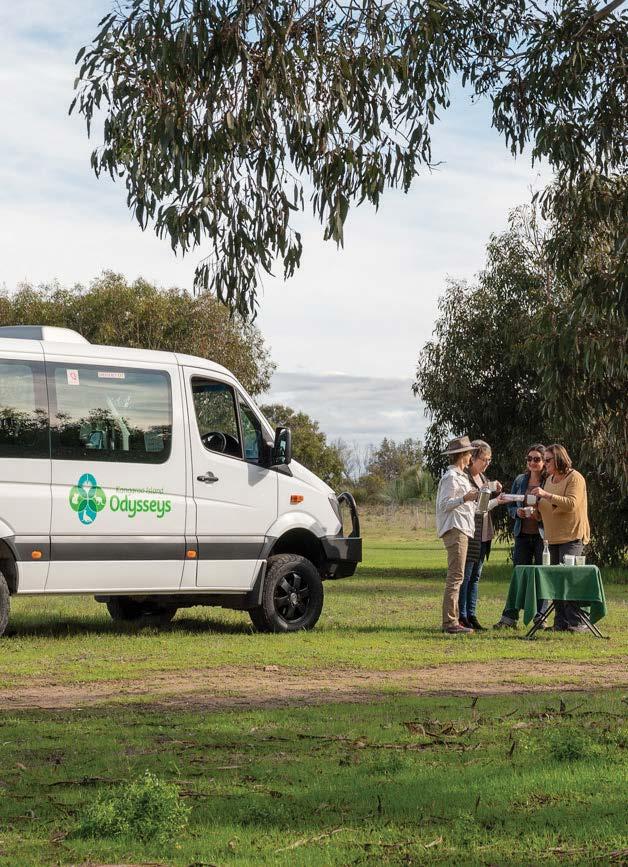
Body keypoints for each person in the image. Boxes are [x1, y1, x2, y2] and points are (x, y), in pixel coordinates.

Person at [531, 443, 590, 632]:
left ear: (558, 459)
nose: (545, 463)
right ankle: (560, 622)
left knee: (569, 579)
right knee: (556, 581)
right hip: (552, 537)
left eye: (547, 460)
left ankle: (577, 622)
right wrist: (534, 511)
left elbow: (572, 504)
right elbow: (547, 507)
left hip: (571, 535)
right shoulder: (549, 479)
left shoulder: (575, 478)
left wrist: (546, 495)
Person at [494, 443, 549, 629]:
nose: (532, 462)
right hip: (522, 535)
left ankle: (540, 618)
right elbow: (510, 505)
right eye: (529, 459)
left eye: (537, 459)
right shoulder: (520, 480)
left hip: (543, 536)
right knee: (519, 576)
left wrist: (538, 512)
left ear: (544, 461)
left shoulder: (549, 482)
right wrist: (516, 513)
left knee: (542, 576)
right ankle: (509, 618)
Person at [458, 440, 504, 631]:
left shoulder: (483, 478)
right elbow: (478, 508)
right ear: (472, 458)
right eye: (483, 459)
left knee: (476, 576)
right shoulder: (465, 478)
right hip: (472, 533)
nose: (486, 463)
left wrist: (494, 496)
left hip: (484, 534)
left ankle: (472, 614)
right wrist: (496, 500)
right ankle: (462, 616)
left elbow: (483, 506)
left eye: (489, 460)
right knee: (466, 576)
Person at [436, 435, 479, 635]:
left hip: (463, 528)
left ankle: (452, 620)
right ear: (463, 455)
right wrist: (464, 498)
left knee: (458, 575)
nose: (471, 457)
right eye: (470, 453)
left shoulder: (461, 476)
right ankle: (450, 622)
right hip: (455, 529)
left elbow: (473, 508)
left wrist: (496, 500)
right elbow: (444, 505)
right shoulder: (451, 477)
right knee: (456, 576)